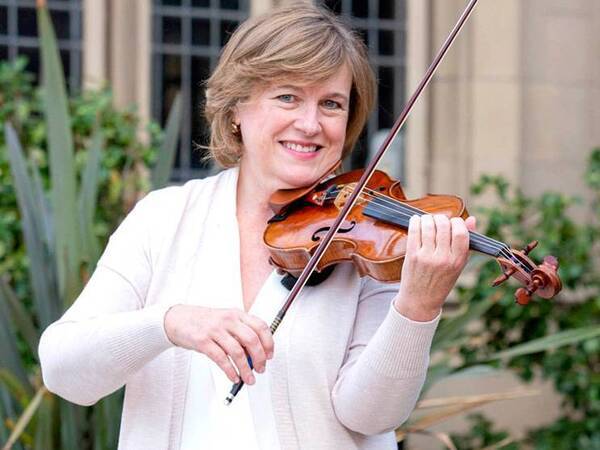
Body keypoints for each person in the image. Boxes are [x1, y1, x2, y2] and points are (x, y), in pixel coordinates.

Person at [39, 4, 476, 450]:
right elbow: (63, 371)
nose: (310, 124)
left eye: (331, 104)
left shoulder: (366, 240)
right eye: (287, 96)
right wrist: (168, 324)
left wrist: (418, 307)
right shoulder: (165, 218)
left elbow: (370, 414)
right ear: (236, 110)